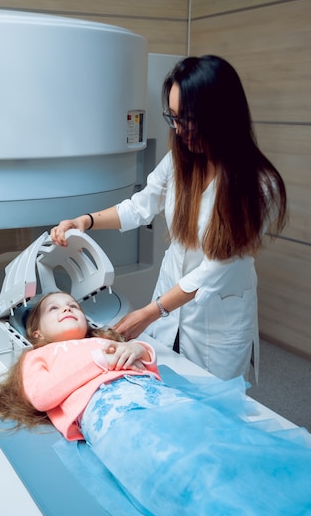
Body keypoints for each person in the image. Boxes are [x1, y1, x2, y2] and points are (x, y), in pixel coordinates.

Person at [0, 292, 311, 516]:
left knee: (229, 445)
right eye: (55, 308)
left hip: (165, 401)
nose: (68, 308)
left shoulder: (105, 341)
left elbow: (147, 364)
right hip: (118, 417)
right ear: (36, 333)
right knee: (185, 472)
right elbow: (40, 395)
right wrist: (97, 361)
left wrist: (136, 348)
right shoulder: (41, 356)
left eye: (73, 305)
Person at [50, 55, 287, 381]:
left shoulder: (259, 185)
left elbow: (215, 270)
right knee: (164, 381)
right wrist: (83, 221)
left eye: (188, 119)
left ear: (220, 116)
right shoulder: (181, 160)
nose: (179, 130)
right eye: (173, 118)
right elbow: (138, 207)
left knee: (214, 402)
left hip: (217, 315)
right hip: (169, 296)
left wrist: (150, 312)